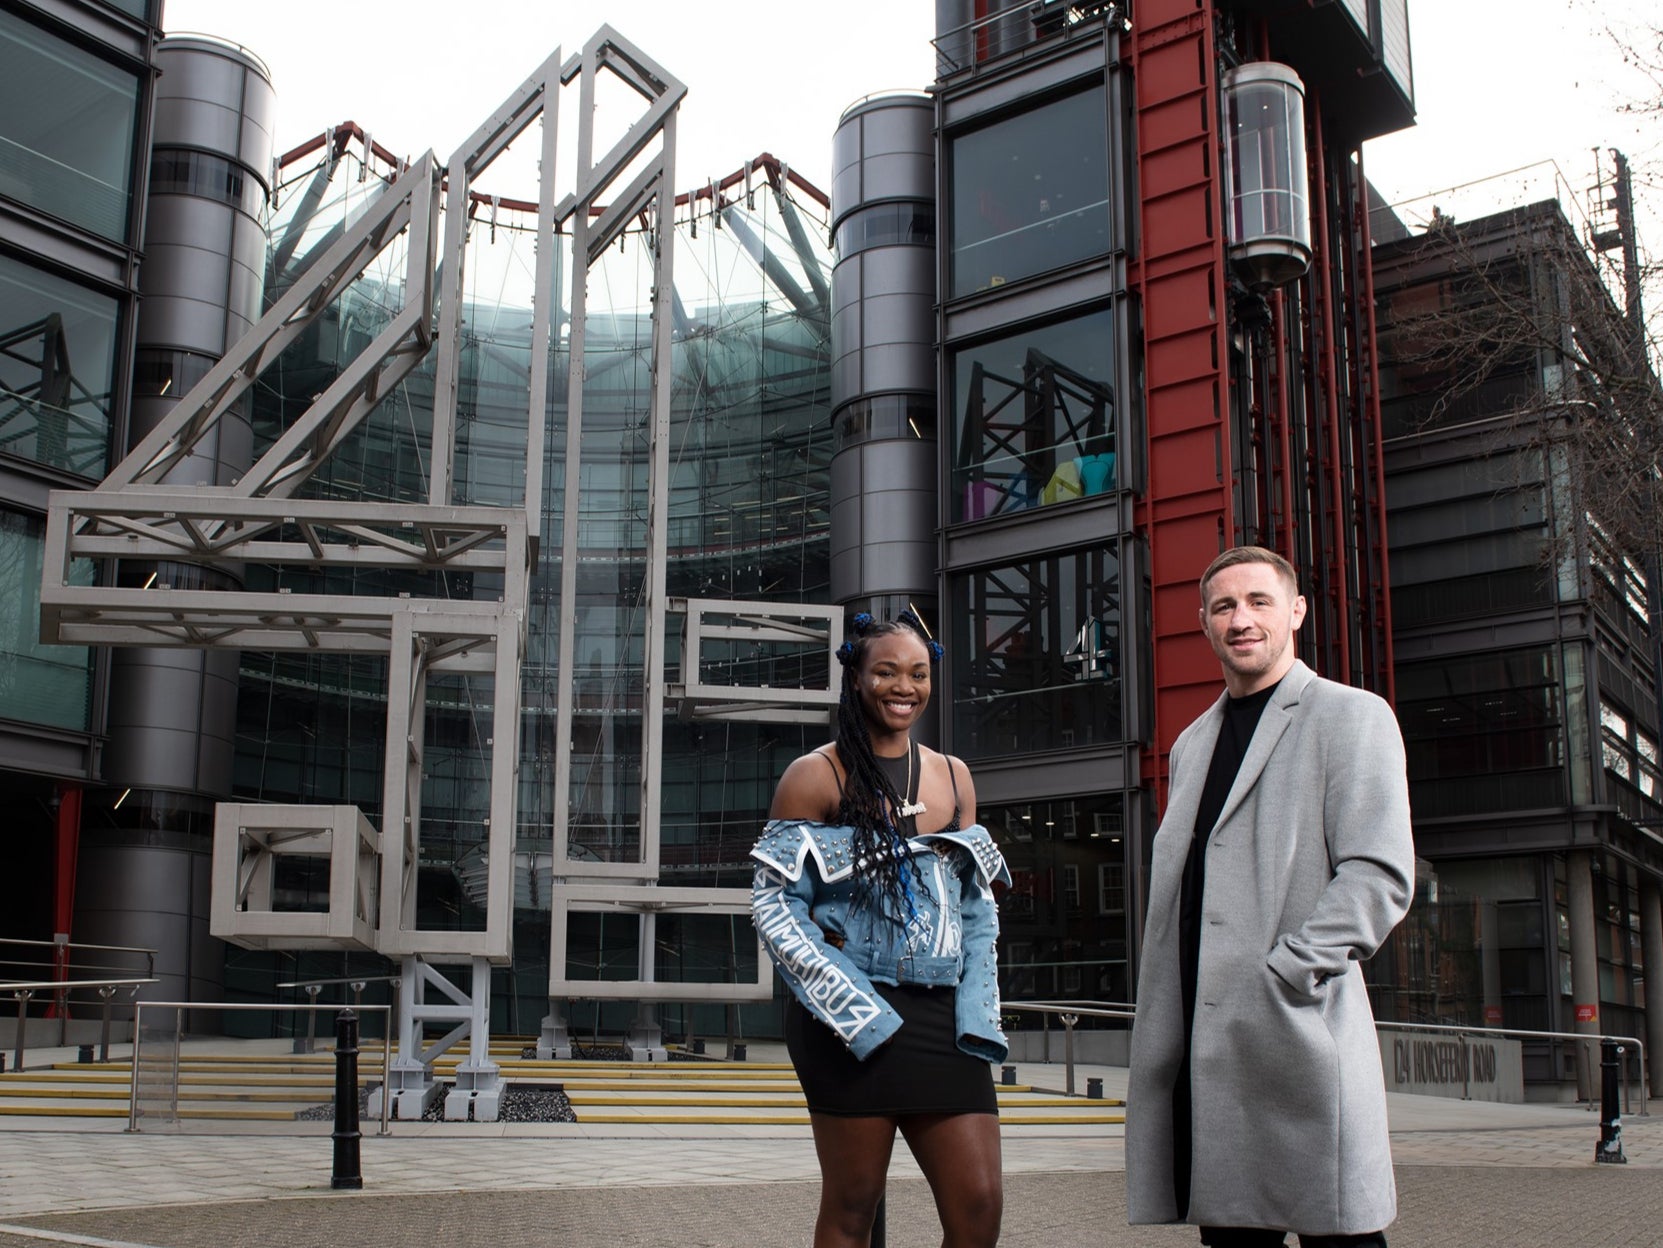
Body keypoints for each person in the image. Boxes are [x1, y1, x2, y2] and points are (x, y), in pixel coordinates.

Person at [1126, 546, 1415, 1247]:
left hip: (1296, 1029)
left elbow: (1378, 871)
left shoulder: (1350, 715)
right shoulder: (1193, 742)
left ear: (1295, 612)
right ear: (1203, 623)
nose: (1241, 619)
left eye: (1257, 601)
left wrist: (1290, 970)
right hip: (1207, 1045)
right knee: (1231, 1239)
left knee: (1340, 1234)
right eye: (1223, 606)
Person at [750, 612, 1009, 1248]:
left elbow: (976, 906)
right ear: (857, 680)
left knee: (979, 1207)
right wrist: (847, 999)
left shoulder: (954, 776)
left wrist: (979, 1008)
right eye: (887, 671)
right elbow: (776, 906)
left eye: (918, 673)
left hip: (943, 1018)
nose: (904, 686)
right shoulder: (815, 776)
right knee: (853, 1208)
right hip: (849, 1017)